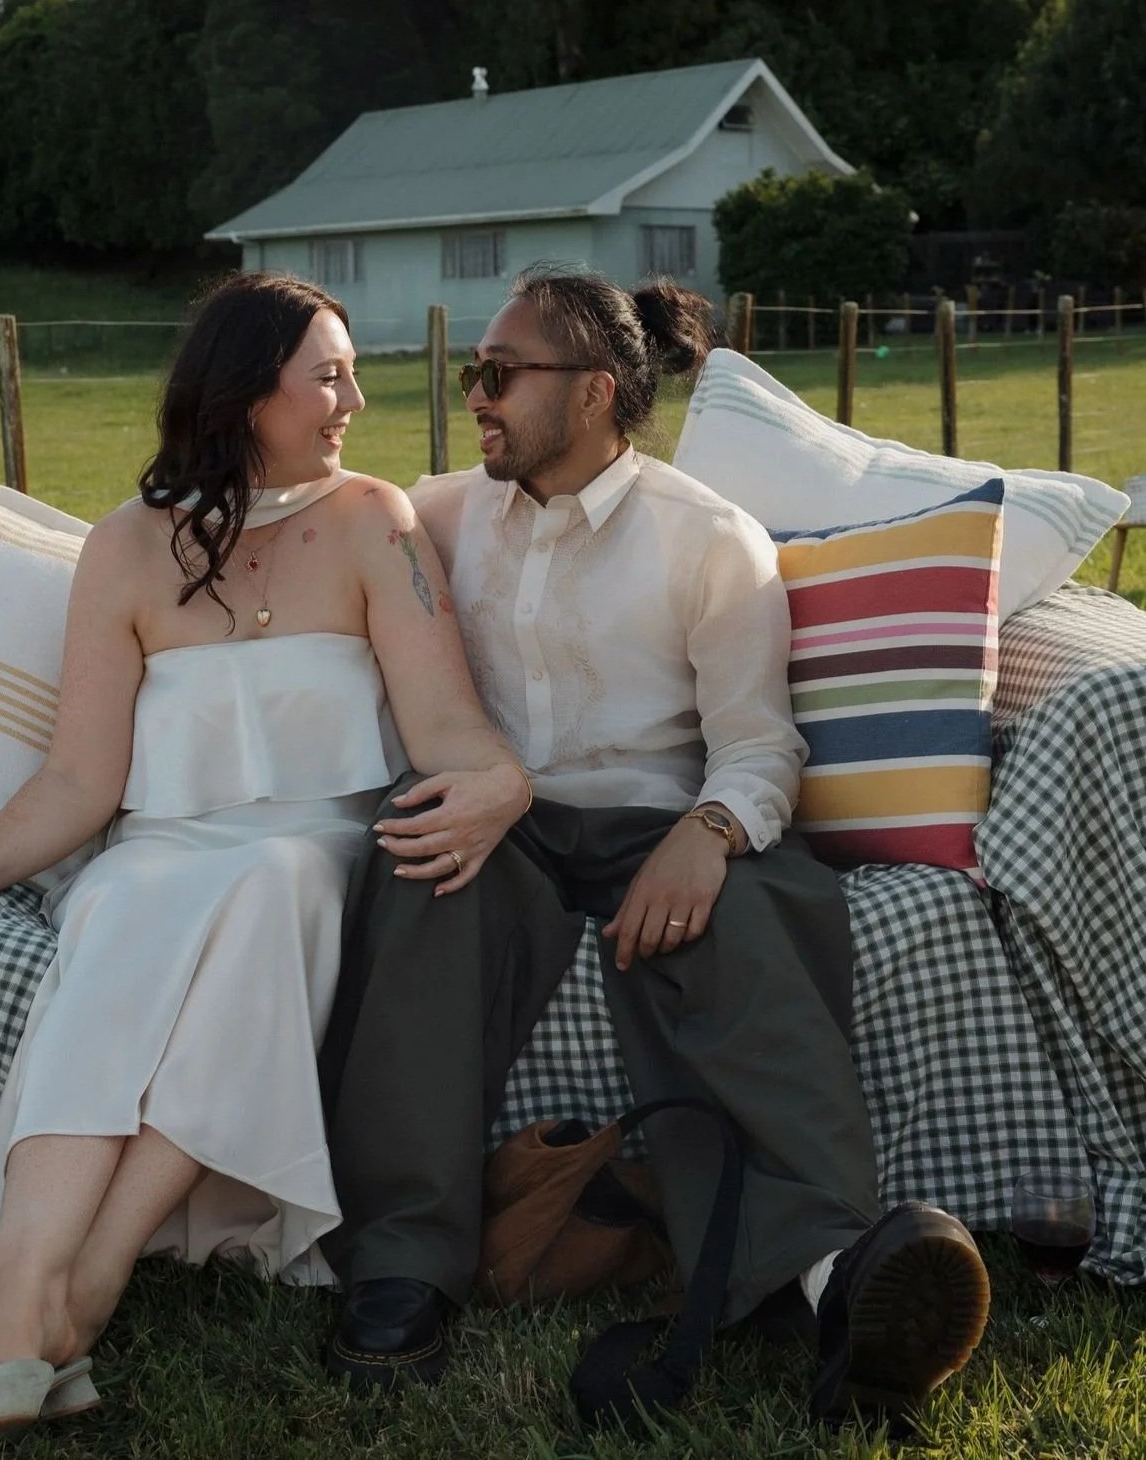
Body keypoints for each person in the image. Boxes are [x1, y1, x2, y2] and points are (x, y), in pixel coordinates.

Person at [0, 271, 532, 1454]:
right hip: (165, 848)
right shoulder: (128, 549)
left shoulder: (374, 522)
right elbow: (82, 783)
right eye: (327, 374)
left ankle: (81, 1296)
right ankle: (11, 1325)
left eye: (348, 370)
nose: (354, 397)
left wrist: (500, 778)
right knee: (117, 903)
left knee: (272, 886)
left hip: (316, 845)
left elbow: (447, 729)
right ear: (245, 394)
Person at [317, 265, 992, 1429]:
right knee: (418, 877)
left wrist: (708, 835)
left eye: (498, 374)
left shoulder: (709, 541)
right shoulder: (434, 513)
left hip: (656, 821)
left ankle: (834, 1277)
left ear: (591, 394)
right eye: (472, 374)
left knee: (757, 921)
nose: (474, 396)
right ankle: (401, 1270)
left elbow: (759, 746)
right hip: (500, 816)